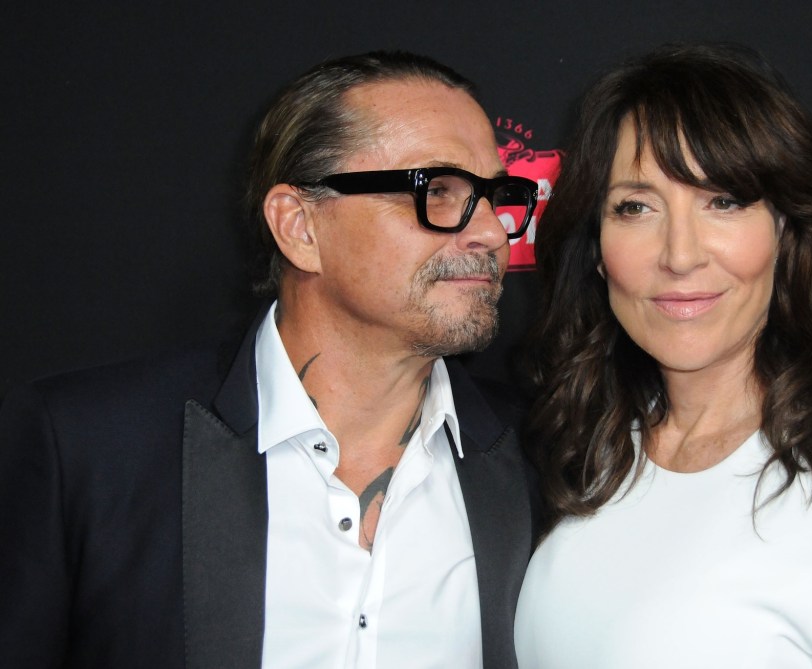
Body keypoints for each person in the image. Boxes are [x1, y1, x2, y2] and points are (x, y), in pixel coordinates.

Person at [0, 51, 540, 668]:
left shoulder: (545, 456)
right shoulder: (88, 449)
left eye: (496, 196)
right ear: (299, 227)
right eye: (437, 191)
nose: (492, 233)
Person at [513, 43, 812, 668]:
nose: (680, 254)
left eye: (723, 201)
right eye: (636, 207)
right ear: (598, 249)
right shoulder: (598, 458)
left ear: (785, 232)